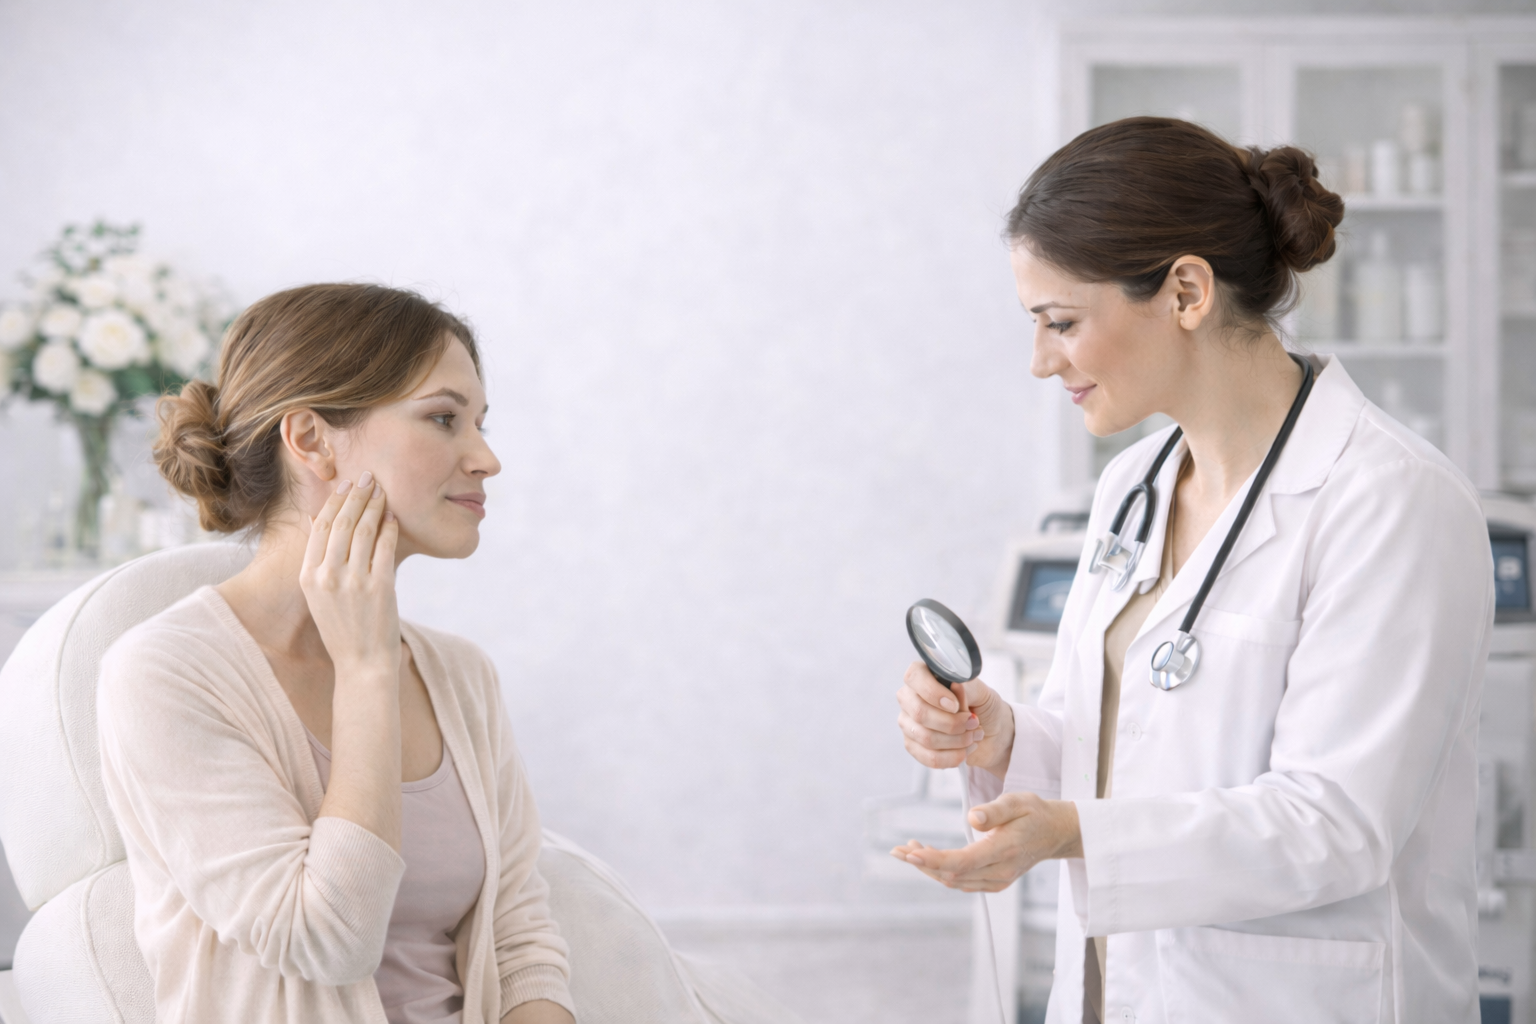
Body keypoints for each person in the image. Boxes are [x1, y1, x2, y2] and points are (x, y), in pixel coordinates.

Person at [893, 117, 1493, 1023]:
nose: (1039, 360)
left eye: (1061, 323)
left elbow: (1335, 825)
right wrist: (1006, 740)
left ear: (1184, 292)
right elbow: (1109, 746)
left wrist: (1076, 833)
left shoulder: (1389, 500)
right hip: (1112, 992)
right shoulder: (1130, 487)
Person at [97, 284, 576, 1023]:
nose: (487, 459)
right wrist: (365, 669)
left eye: (480, 423)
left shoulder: (462, 676)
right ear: (311, 441)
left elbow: (519, 940)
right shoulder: (164, 675)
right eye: (444, 419)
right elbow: (327, 939)